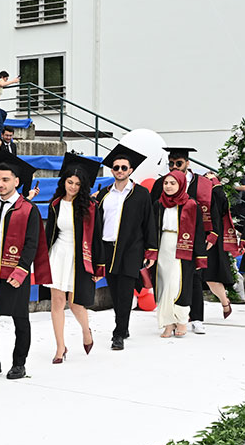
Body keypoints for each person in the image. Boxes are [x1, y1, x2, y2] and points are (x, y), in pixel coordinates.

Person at [0, 154, 50, 381]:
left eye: (5, 179)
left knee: (20, 318)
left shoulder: (27, 209)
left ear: (16, 181)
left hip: (14, 271)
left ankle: (19, 363)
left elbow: (32, 242)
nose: (0, 184)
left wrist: (22, 269)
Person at [154, 146, 237, 332]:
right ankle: (173, 318)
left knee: (195, 276)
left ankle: (196, 317)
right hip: (168, 241)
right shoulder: (163, 183)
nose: (174, 167)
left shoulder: (204, 184)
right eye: (171, 164)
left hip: (198, 237)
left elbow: (215, 210)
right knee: (171, 279)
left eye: (179, 163)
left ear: (188, 163)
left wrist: (213, 234)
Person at [93, 145, 156, 351]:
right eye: (116, 167)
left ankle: (118, 333)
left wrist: (151, 250)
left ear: (130, 170)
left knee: (126, 291)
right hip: (108, 249)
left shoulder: (141, 194)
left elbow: (149, 223)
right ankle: (124, 325)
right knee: (115, 291)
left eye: (123, 167)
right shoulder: (103, 195)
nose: (119, 170)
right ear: (112, 170)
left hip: (131, 249)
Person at [43, 153, 102, 363]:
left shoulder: (90, 207)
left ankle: (86, 332)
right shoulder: (55, 204)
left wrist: (98, 267)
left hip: (80, 258)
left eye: (77, 184)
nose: (73, 187)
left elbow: (96, 238)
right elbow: (50, 233)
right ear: (64, 182)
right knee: (57, 302)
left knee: (76, 303)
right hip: (58, 254)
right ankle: (60, 347)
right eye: (70, 182)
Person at [152, 170, 208, 338]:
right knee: (163, 286)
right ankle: (168, 323)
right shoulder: (158, 204)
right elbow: (152, 228)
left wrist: (200, 256)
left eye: (173, 183)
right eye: (166, 183)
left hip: (183, 247)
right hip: (163, 247)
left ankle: (182, 320)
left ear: (181, 184)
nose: (168, 186)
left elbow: (199, 231)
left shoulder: (190, 204)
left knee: (177, 285)